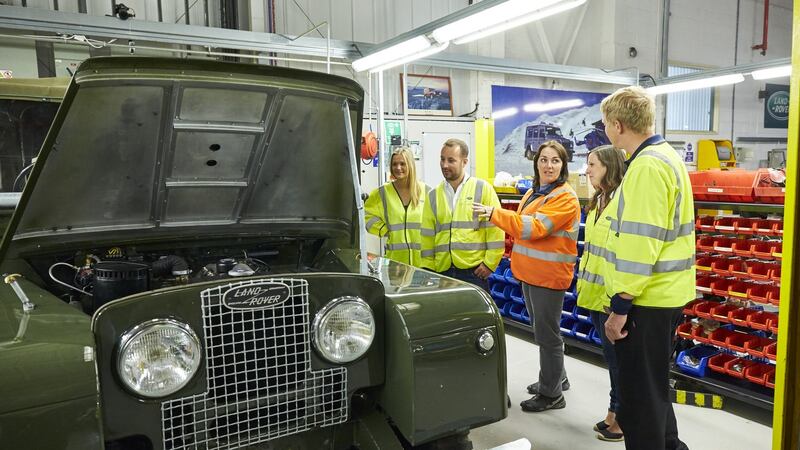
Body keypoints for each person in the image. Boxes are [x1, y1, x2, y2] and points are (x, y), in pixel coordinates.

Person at [600, 86, 695, 450]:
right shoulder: (666, 156)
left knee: (638, 402)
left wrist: (620, 307)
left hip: (645, 300)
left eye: (607, 123)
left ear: (618, 125)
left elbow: (640, 245)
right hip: (664, 295)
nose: (605, 129)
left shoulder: (647, 166)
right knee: (653, 391)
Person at [474, 140, 581, 413]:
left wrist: (495, 214)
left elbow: (533, 228)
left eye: (555, 161)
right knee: (543, 331)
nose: (548, 165)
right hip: (530, 274)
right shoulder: (536, 192)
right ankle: (558, 378)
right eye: (543, 159)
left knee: (548, 336)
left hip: (549, 277)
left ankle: (552, 394)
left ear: (563, 165)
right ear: (536, 163)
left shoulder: (565, 197)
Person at [576, 145, 627, 442]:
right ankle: (613, 412)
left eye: (592, 164)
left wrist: (618, 301)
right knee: (612, 362)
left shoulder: (623, 201)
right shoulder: (598, 200)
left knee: (620, 364)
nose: (587, 170)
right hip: (595, 294)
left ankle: (622, 418)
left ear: (609, 166)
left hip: (612, 299)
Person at [420, 138, 504, 290]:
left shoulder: (482, 189)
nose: (445, 165)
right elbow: (427, 235)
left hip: (474, 273)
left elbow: (496, 229)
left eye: (451, 160)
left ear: (464, 162)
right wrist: (428, 268)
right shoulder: (433, 195)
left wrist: (489, 264)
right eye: (442, 159)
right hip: (441, 272)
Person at [364, 147, 429, 267]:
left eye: (402, 164)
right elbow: (366, 215)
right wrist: (384, 230)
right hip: (395, 263)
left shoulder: (426, 191)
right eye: (394, 164)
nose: (398, 168)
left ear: (410, 165)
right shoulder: (382, 193)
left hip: (423, 263)